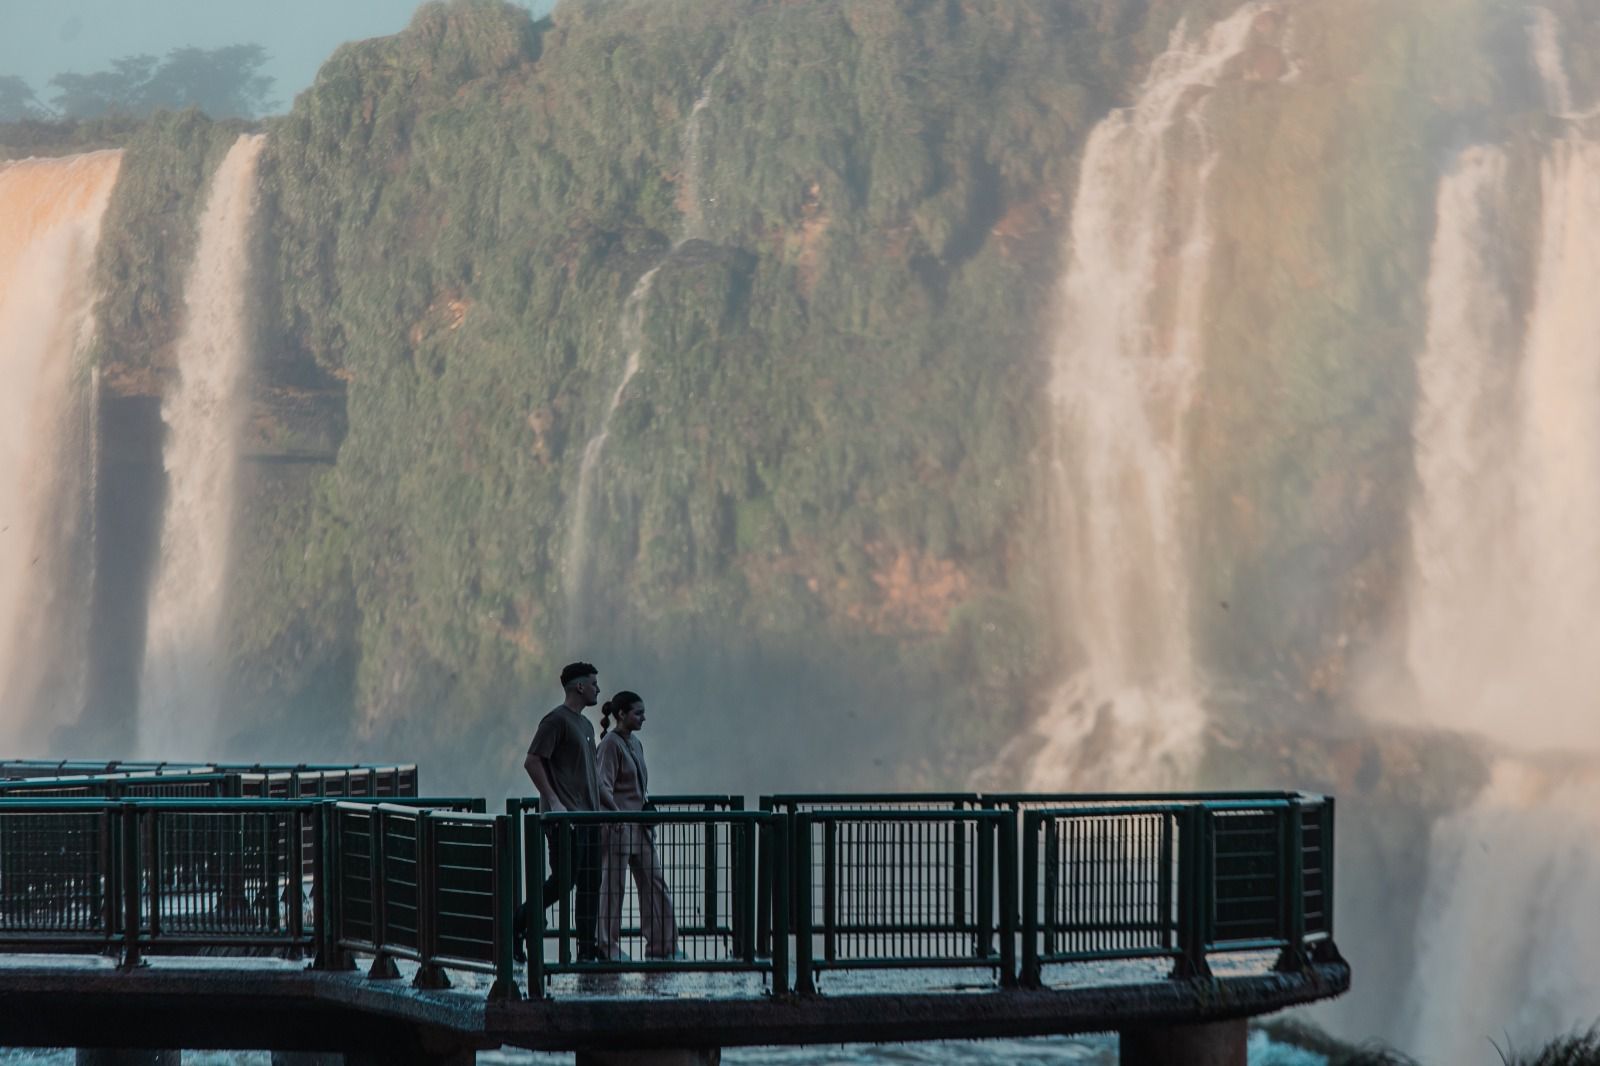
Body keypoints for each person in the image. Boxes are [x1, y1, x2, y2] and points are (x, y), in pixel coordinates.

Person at [516, 661, 603, 963]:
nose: (598, 689)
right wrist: (553, 801)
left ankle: (587, 950)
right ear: (579, 687)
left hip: (591, 819)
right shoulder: (556, 721)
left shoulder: (587, 725)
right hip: (566, 821)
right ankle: (518, 923)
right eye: (594, 683)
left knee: (591, 883)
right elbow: (532, 760)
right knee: (564, 880)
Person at [594, 691, 678, 961]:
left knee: (655, 884)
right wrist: (615, 814)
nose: (643, 718)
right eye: (638, 713)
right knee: (613, 887)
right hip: (618, 826)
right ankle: (608, 947)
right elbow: (601, 785)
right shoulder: (610, 744)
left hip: (639, 826)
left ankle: (663, 945)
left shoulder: (636, 744)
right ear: (621, 714)